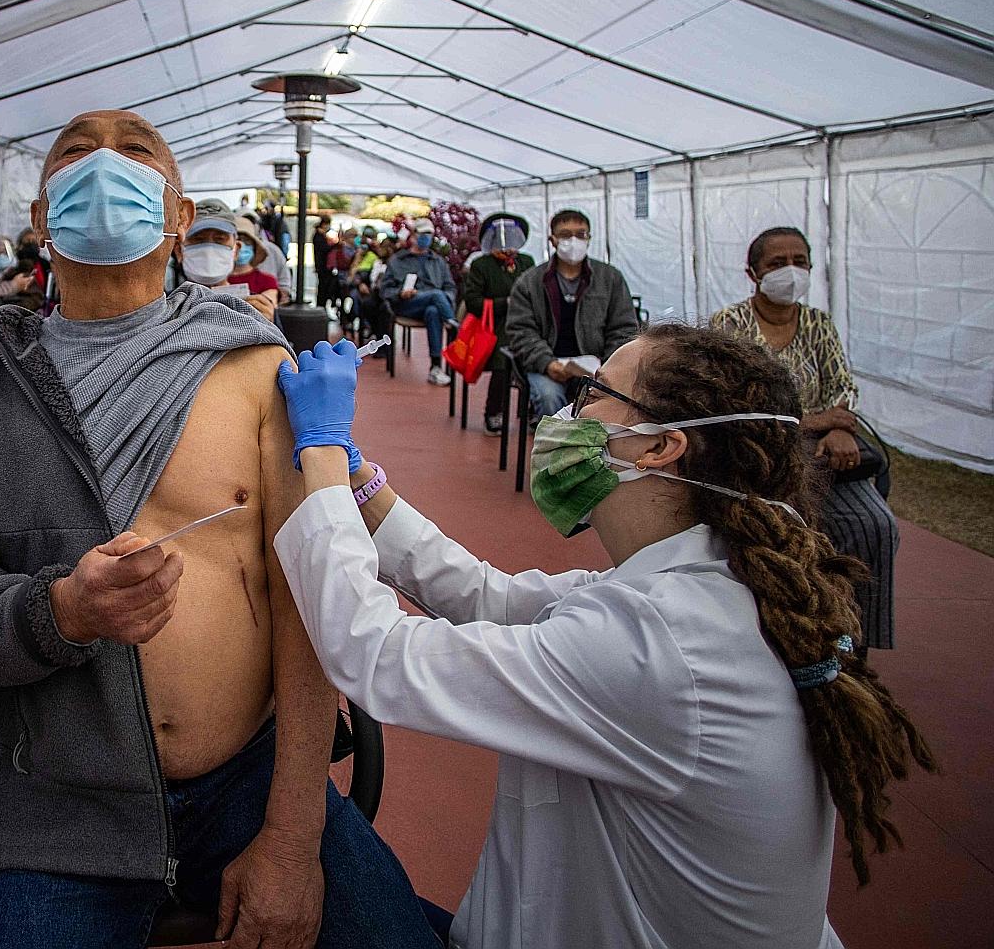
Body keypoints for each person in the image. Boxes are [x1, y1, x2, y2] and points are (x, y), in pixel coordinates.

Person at [0, 109, 438, 949]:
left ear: (181, 216)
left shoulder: (255, 367)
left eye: (136, 151)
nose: (105, 165)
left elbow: (306, 604)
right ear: (41, 217)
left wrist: (293, 840)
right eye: (74, 151)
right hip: (56, 809)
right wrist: (63, 612)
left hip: (249, 782)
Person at [273, 325, 936, 949]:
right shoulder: (697, 587)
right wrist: (358, 480)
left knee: (282, 829)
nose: (568, 415)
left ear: (658, 445)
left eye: (595, 396)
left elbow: (377, 653)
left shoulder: (665, 641)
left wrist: (321, 451)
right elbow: (492, 598)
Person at [712, 226, 900, 651]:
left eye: (800, 262)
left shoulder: (818, 324)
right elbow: (736, 403)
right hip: (758, 459)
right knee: (779, 531)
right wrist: (816, 421)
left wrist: (837, 428)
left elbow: (843, 388)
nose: (791, 272)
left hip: (826, 457)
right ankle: (782, 638)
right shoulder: (731, 323)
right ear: (752, 273)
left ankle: (855, 643)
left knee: (875, 526)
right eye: (777, 264)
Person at [505, 208, 638, 421]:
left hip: (596, 367)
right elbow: (520, 330)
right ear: (553, 240)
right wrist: (547, 363)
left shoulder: (610, 278)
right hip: (547, 366)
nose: (574, 241)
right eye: (566, 235)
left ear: (589, 238)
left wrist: (607, 367)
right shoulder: (530, 282)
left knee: (610, 402)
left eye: (581, 234)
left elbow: (624, 328)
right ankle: (554, 450)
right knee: (549, 397)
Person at [463, 212, 534, 433]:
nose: (508, 246)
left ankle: (531, 411)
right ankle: (494, 412)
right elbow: (473, 301)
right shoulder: (482, 265)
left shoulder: (526, 262)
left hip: (525, 322)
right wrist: (506, 303)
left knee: (536, 357)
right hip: (493, 325)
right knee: (503, 359)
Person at [379, 217, 456, 386]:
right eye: (423, 234)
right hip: (406, 305)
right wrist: (401, 293)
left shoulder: (438, 261)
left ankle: (435, 367)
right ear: (413, 235)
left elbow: (450, 287)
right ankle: (455, 329)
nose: (426, 238)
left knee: (434, 311)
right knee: (435, 295)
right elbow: (385, 290)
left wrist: (446, 298)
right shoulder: (398, 260)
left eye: (430, 234)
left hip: (432, 306)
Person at [178, 207, 278, 320]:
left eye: (220, 239)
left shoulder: (256, 304)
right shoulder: (167, 307)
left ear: (236, 250)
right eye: (199, 239)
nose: (209, 250)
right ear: (178, 251)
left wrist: (268, 325)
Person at [311, 216, 334, 310]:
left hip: (323, 265)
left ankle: (322, 306)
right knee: (323, 288)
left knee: (324, 287)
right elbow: (324, 249)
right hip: (322, 266)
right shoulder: (319, 236)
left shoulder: (321, 235)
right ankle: (321, 306)